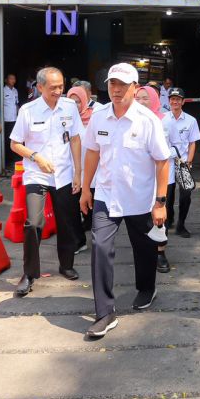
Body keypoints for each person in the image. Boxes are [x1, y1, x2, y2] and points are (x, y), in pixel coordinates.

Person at [81, 63, 170, 339]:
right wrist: (86, 189)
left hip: (139, 198)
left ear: (135, 87)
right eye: (112, 84)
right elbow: (93, 153)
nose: (116, 90)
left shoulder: (147, 120)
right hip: (106, 196)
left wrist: (161, 201)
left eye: (122, 85)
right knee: (100, 247)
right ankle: (105, 312)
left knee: (143, 248)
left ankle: (147, 287)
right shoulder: (99, 117)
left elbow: (162, 160)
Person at [9, 67, 84, 297]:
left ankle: (66, 264)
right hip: (37, 174)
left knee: (68, 222)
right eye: (53, 88)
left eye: (61, 86)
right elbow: (15, 143)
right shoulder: (28, 110)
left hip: (64, 175)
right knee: (33, 223)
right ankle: (29, 273)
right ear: (40, 87)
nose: (58, 91)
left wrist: (78, 173)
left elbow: (75, 139)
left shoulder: (69, 107)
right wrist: (36, 157)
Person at [135, 85, 175, 272]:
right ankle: (144, 249)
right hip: (140, 176)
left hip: (162, 175)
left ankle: (161, 252)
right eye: (138, 98)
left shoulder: (166, 120)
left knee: (160, 214)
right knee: (141, 216)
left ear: (155, 99)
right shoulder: (132, 120)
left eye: (146, 98)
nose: (141, 102)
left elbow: (176, 145)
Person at [162, 87, 200, 238]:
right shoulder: (162, 118)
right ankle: (168, 218)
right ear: (169, 101)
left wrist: (189, 162)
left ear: (183, 102)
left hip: (183, 161)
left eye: (178, 99)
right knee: (168, 196)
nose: (175, 101)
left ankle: (181, 225)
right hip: (166, 162)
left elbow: (192, 143)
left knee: (185, 195)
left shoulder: (191, 120)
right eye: (172, 99)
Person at [68, 84, 94, 252]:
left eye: (78, 101)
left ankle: (100, 242)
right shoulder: (63, 119)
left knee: (92, 209)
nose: (75, 105)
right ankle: (79, 241)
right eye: (71, 102)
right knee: (72, 208)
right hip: (71, 172)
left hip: (92, 172)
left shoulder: (94, 118)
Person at [3, 74, 20, 172]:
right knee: (7, 140)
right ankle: (8, 160)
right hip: (6, 119)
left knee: (15, 139)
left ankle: (14, 159)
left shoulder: (15, 91)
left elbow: (16, 104)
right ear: (6, 80)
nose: (13, 80)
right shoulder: (3, 90)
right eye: (11, 78)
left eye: (14, 78)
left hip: (14, 119)